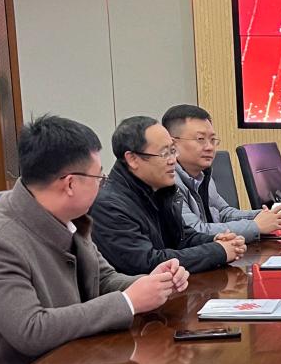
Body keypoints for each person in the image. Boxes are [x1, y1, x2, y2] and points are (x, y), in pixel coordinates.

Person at [0, 115, 188, 364]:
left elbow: (103, 279)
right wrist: (129, 302)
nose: (102, 184)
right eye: (99, 177)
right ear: (70, 183)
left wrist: (154, 285)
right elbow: (31, 330)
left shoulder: (68, 218)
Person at [90, 116, 246, 275]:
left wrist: (216, 240)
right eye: (164, 153)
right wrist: (218, 251)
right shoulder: (108, 206)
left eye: (173, 151)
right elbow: (147, 263)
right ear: (133, 159)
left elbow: (182, 237)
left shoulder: (159, 189)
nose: (173, 160)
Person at [162, 104, 281, 242]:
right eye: (200, 139)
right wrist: (255, 226)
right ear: (173, 144)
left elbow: (223, 213)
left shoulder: (202, 174)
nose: (209, 147)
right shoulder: (166, 181)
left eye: (213, 140)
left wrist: (268, 215)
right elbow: (194, 232)